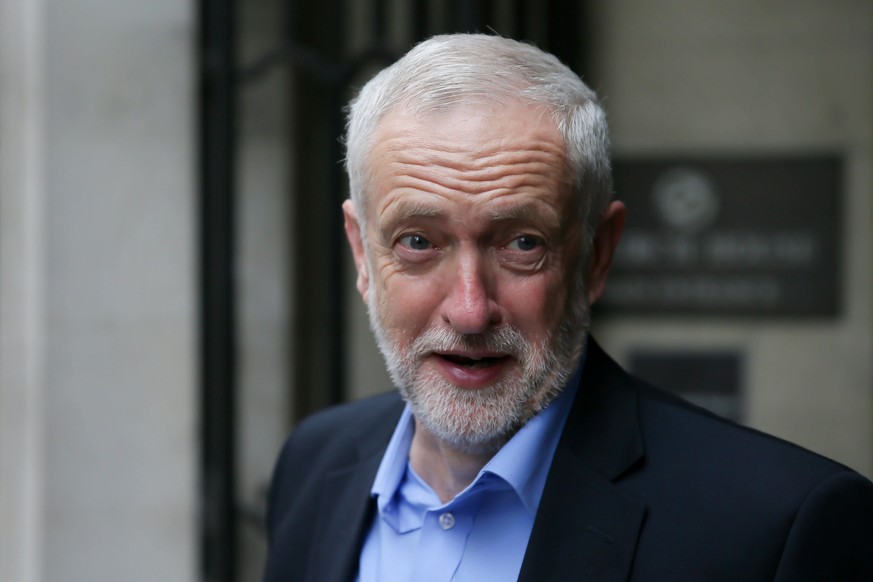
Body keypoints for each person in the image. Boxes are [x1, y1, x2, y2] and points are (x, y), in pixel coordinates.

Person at [263, 34, 873, 581]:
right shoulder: (315, 463)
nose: (471, 311)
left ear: (596, 256)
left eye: (522, 243)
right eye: (418, 242)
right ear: (363, 256)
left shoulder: (779, 528)